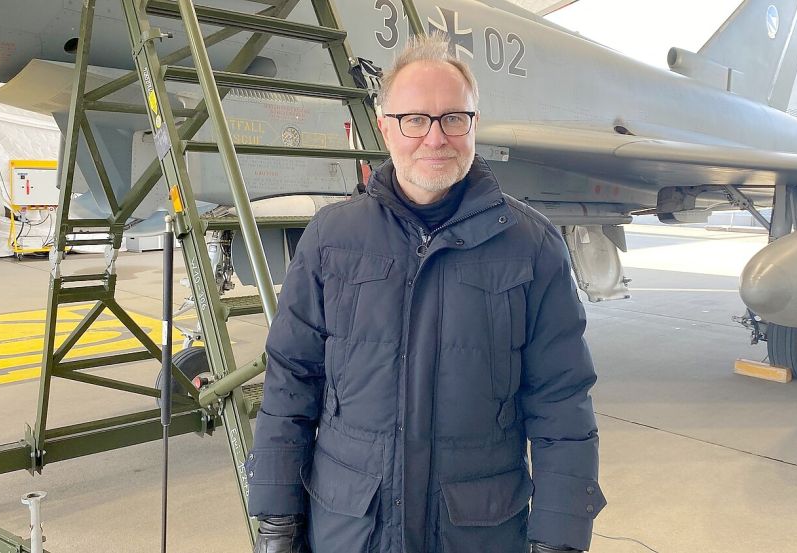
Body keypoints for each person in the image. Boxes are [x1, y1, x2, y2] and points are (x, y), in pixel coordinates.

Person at [245, 33, 604, 553]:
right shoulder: (331, 239)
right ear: (386, 127)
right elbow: (290, 384)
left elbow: (562, 404)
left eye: (453, 118)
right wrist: (278, 523)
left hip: (477, 532)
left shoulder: (532, 246)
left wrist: (559, 540)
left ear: (473, 126)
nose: (435, 138)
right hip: (351, 530)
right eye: (415, 119)